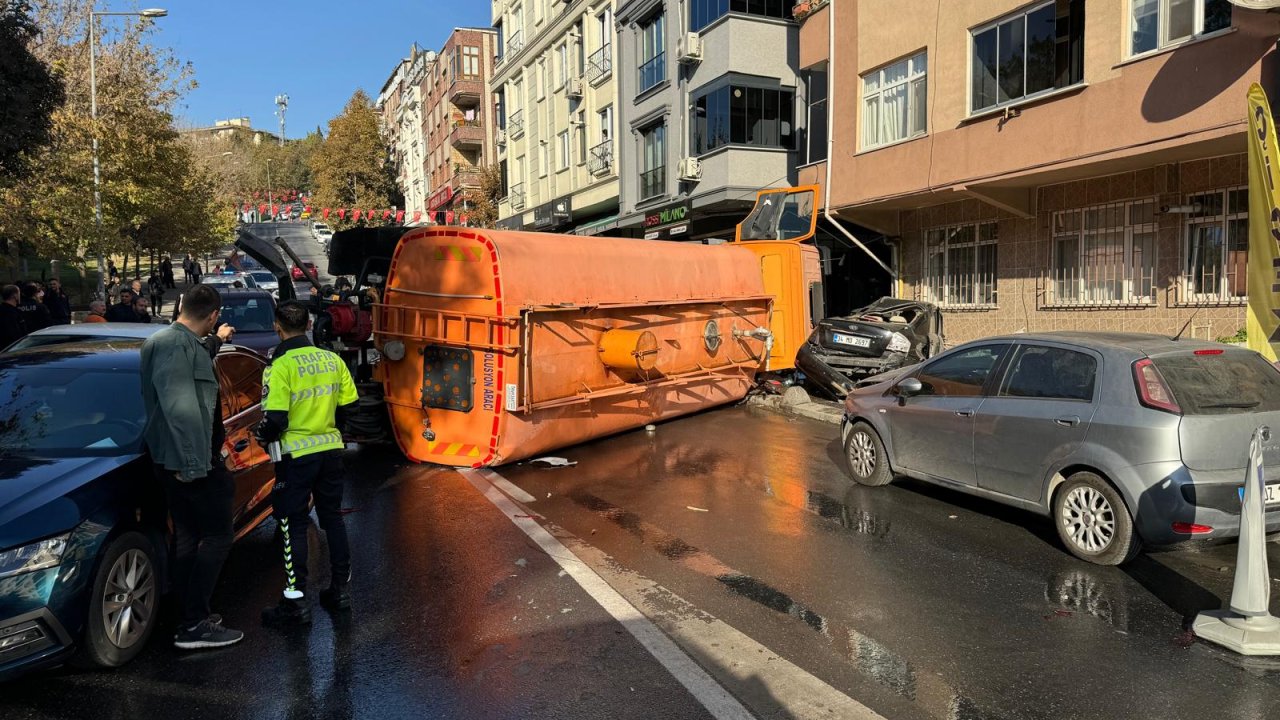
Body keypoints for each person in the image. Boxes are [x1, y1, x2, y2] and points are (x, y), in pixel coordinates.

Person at [139, 284, 244, 650]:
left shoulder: (176, 343)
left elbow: (194, 361)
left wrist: (216, 340)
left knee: (187, 538)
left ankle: (187, 615)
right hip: (190, 463)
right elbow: (180, 410)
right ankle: (194, 624)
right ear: (213, 314)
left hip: (181, 461)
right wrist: (194, 464)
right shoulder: (174, 347)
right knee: (217, 537)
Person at [257, 300, 358, 626]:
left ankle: (295, 602)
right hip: (330, 451)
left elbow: (274, 419)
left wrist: (263, 436)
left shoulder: (280, 366)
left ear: (277, 326)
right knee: (333, 520)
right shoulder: (332, 360)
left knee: (292, 525)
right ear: (310, 325)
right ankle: (339, 591)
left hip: (295, 458)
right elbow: (348, 406)